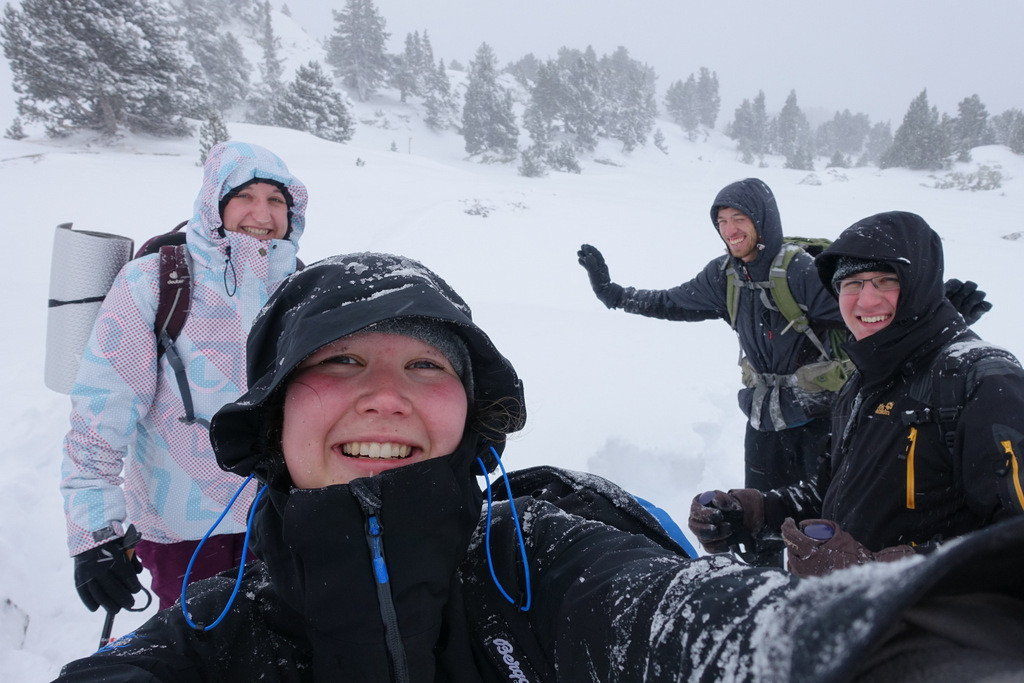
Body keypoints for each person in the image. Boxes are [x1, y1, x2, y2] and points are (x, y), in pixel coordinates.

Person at [58, 252, 1024, 681]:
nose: (385, 393)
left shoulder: (537, 571)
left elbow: (689, 624)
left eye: (426, 363)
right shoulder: (216, 638)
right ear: (270, 413)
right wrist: (769, 502)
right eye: (338, 360)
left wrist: (917, 625)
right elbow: (678, 306)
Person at [578, 179, 990, 566]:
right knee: (758, 520)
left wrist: (932, 311)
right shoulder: (723, 277)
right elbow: (671, 303)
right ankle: (765, 592)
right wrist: (613, 294)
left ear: (763, 221)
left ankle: (842, 591)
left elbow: (867, 313)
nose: (730, 230)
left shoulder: (798, 271)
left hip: (822, 414)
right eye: (721, 222)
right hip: (766, 417)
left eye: (739, 219)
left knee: (829, 517)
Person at [688, 211, 1024, 578]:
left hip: (929, 631)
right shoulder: (864, 379)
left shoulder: (981, 380)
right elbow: (834, 493)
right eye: (851, 283)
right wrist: (753, 513)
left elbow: (1011, 548)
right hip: (858, 625)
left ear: (922, 284)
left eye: (885, 281)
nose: (865, 302)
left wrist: (873, 572)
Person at [61, 141, 308, 613]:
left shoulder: (300, 286)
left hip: (286, 518)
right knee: (199, 653)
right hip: (185, 532)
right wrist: (95, 534)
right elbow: (98, 417)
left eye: (277, 200)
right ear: (215, 202)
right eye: (246, 196)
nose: (263, 212)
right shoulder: (154, 282)